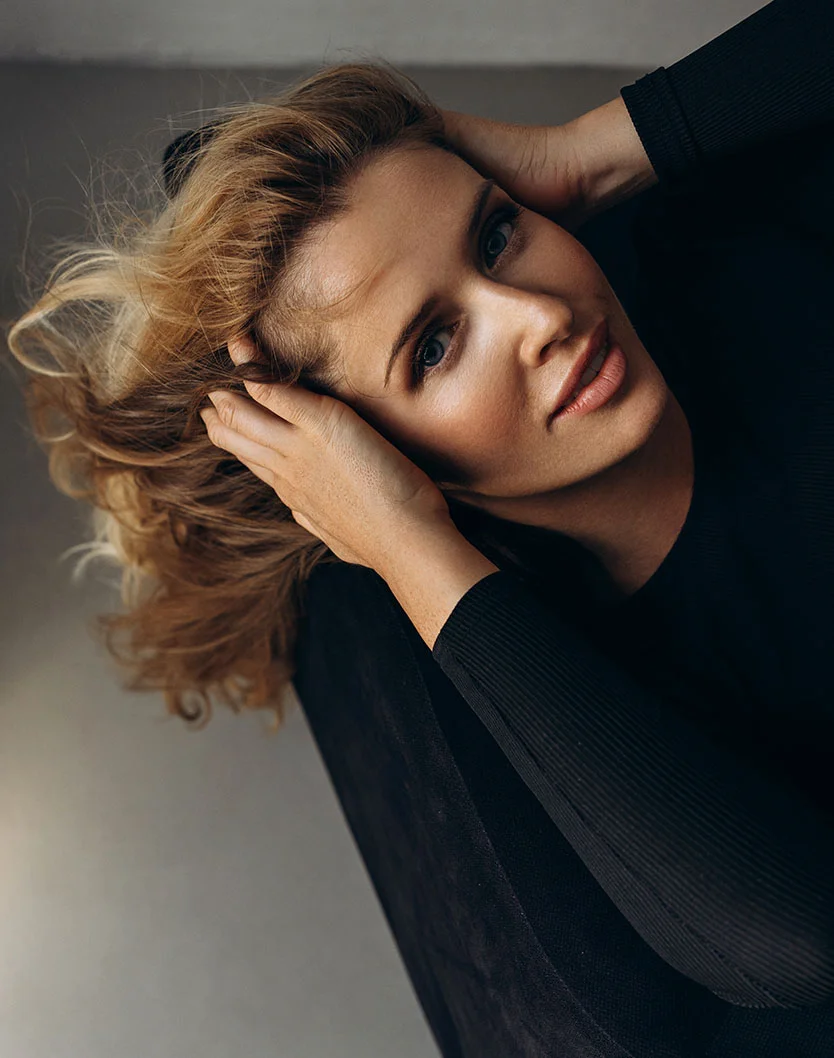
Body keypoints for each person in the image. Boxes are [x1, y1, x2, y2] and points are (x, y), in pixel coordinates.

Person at [5, 0, 834, 1052]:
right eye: (434, 347)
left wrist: (593, 151)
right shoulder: (565, 674)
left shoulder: (748, 242)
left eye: (498, 232)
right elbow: (796, 941)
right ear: (371, 458)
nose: (541, 317)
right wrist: (409, 547)